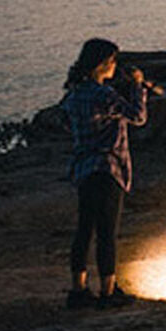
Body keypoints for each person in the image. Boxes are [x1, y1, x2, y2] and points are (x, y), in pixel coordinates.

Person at [62, 38, 148, 310]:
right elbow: (138, 116)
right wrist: (137, 86)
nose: (114, 66)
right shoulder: (105, 96)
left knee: (84, 230)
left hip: (84, 169)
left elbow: (66, 124)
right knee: (107, 233)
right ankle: (108, 292)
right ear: (102, 64)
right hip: (108, 169)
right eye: (112, 61)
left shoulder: (73, 95)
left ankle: (78, 290)